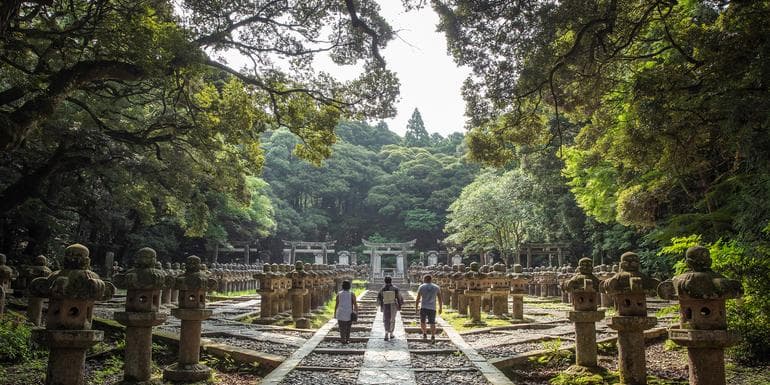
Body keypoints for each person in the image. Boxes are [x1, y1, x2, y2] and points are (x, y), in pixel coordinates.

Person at [415, 274, 442, 342]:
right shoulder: (436, 287)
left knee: (422, 321)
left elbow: (418, 298)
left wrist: (416, 307)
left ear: (424, 279)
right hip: (432, 307)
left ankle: (424, 333)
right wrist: (440, 307)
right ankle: (433, 336)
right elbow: (440, 298)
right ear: (431, 279)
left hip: (423, 307)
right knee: (432, 322)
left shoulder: (421, 287)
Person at [377, 276, 404, 341]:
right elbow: (399, 297)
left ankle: (386, 333)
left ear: (384, 281)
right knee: (392, 319)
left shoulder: (382, 289)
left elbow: (379, 298)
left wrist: (381, 305)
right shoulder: (395, 288)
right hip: (393, 305)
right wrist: (400, 305)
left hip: (385, 304)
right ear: (391, 281)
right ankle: (391, 333)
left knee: (386, 319)